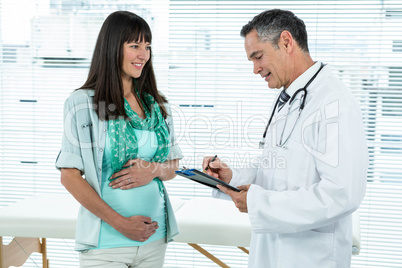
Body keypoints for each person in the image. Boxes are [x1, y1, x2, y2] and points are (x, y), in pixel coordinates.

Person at [203, 9, 368, 268]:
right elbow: (276, 167)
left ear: (286, 42)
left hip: (311, 257)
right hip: (272, 250)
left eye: (258, 57)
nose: (255, 69)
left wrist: (259, 203)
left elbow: (342, 194)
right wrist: (232, 177)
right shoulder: (289, 100)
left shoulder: (335, 103)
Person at [55, 11, 183, 268]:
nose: (143, 55)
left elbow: (173, 166)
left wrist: (153, 170)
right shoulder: (82, 104)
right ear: (112, 47)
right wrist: (121, 223)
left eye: (147, 46)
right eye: (134, 46)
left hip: (154, 239)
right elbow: (69, 176)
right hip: (107, 243)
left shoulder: (158, 104)